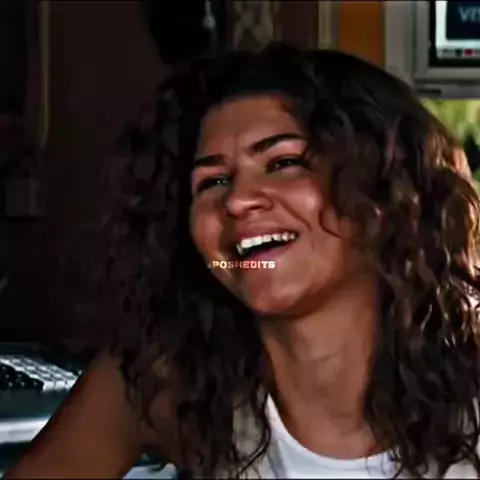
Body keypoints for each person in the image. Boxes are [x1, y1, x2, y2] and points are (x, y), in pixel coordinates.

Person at [4, 42, 480, 479]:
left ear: (385, 195)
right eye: (212, 182)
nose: (236, 200)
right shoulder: (168, 380)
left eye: (282, 163)